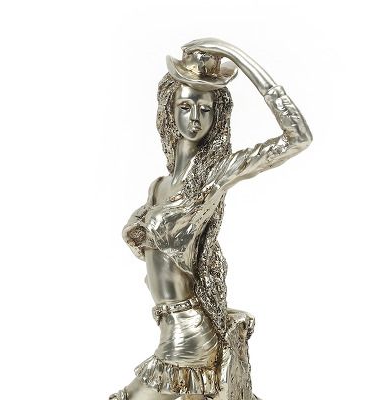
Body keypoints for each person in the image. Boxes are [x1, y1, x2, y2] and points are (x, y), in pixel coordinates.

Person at [110, 38, 313, 400]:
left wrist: (240, 59)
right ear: (169, 109)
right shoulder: (159, 187)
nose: (194, 118)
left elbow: (297, 138)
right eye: (185, 106)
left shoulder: (215, 175)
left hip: (188, 332)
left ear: (217, 115)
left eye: (205, 109)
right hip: (169, 323)